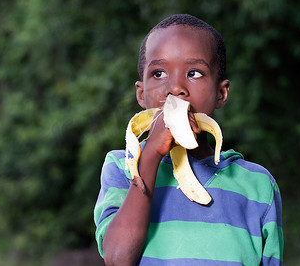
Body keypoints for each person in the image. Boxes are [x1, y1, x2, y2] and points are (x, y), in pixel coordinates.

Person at [94, 14, 283, 265]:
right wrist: (149, 156)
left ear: (221, 93)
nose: (176, 88)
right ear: (141, 94)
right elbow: (117, 259)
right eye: (159, 73)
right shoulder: (122, 167)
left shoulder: (257, 185)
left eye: (194, 73)